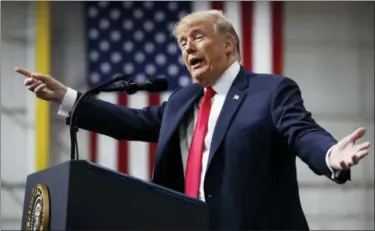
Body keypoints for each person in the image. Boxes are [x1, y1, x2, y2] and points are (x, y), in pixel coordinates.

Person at [16, 10, 370, 230]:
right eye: (183, 43)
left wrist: (329, 156)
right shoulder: (183, 101)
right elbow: (133, 122)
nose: (187, 48)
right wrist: (66, 97)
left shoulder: (270, 91)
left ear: (229, 46)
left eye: (197, 37)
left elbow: (301, 131)